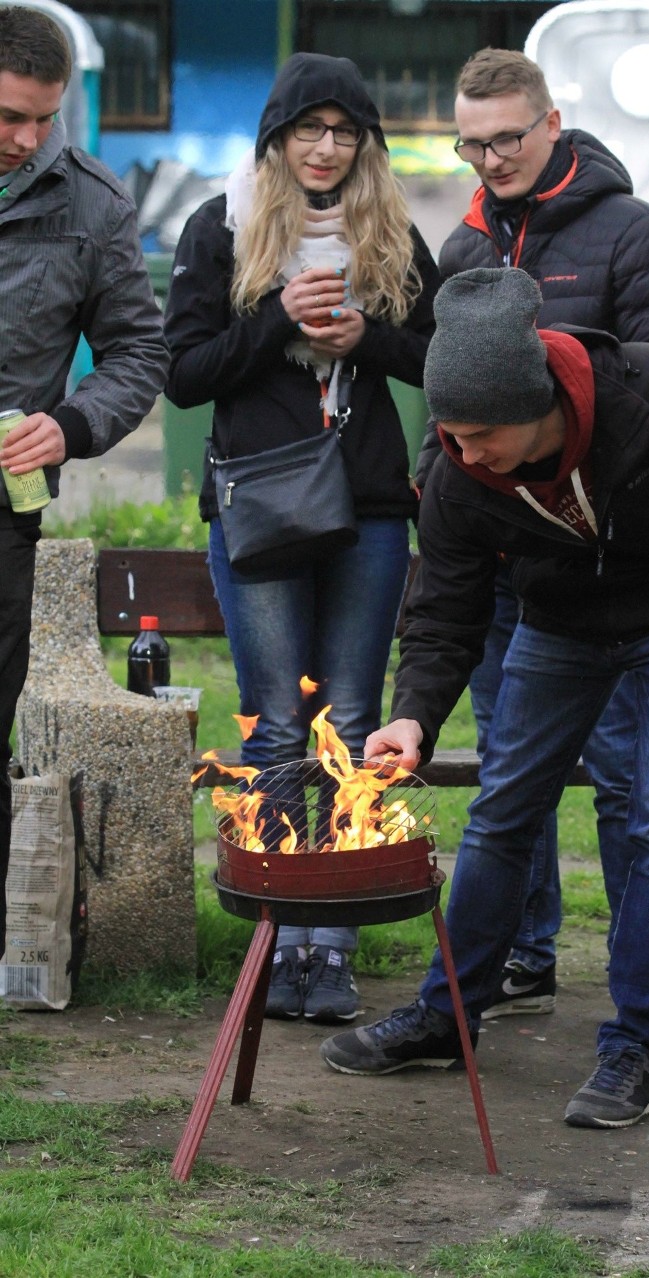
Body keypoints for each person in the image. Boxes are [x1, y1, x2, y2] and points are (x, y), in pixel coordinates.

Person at [320, 267, 649, 1129]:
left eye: (482, 434)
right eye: (451, 437)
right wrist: (414, 714)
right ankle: (446, 1015)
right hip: (562, 625)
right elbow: (446, 610)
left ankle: (632, 1049)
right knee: (504, 811)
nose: (466, 456)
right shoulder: (461, 476)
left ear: (537, 401)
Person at [417, 48, 649, 1023]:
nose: (490, 159)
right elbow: (438, 409)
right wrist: (444, 497)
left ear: (552, 122)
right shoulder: (461, 252)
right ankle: (517, 964)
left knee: (625, 786)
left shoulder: (632, 231)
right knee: (510, 781)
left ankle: (636, 990)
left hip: (599, 570)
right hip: (494, 567)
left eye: (506, 138)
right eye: (472, 144)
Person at [164, 53, 439, 1025]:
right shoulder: (222, 225)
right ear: (276, 139)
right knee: (279, 721)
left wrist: (367, 339)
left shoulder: (391, 228)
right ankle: (280, 935)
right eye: (307, 131)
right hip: (262, 503)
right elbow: (186, 374)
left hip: (366, 507)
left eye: (344, 132)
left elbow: (440, 358)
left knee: (356, 719)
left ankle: (335, 940)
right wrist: (277, 319)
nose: (325, 149)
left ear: (364, 143)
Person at [0, 7, 169, 957]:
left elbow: (139, 352)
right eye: (9, 116)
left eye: (44, 118)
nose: (28, 139)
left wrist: (67, 425)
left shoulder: (93, 202)